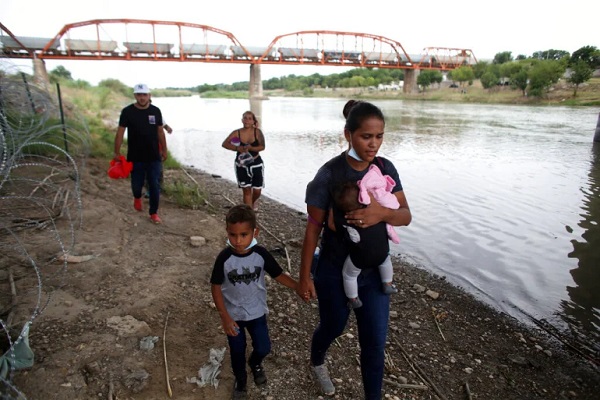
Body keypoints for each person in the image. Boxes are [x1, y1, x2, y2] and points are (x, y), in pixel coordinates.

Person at [296, 100, 412, 399]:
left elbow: (405, 215)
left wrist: (381, 214)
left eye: (379, 136)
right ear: (348, 134)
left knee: (374, 342)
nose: (373, 144)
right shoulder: (329, 175)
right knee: (333, 326)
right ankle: (318, 360)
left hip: (373, 272)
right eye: (366, 136)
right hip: (335, 270)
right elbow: (312, 230)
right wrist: (304, 276)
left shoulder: (385, 169)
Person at [210, 204, 298, 399]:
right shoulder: (224, 259)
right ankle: (241, 380)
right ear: (227, 232)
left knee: (263, 347)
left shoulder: (261, 254)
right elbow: (215, 287)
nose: (238, 241)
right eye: (233, 235)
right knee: (237, 351)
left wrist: (298, 287)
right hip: (233, 315)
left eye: (244, 235)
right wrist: (224, 316)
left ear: (254, 232)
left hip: (256, 312)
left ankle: (255, 363)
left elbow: (278, 275)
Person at [330, 179, 398, 309]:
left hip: (361, 258)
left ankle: (353, 299)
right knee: (386, 261)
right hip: (382, 253)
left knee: (349, 275)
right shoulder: (377, 213)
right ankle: (387, 284)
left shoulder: (348, 221)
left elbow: (332, 225)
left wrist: (332, 211)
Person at [114, 83, 167, 224]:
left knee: (154, 184)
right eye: (139, 95)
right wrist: (116, 152)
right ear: (135, 96)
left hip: (154, 156)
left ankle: (153, 213)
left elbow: (160, 131)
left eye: (144, 95)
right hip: (135, 157)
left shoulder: (156, 111)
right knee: (136, 185)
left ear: (149, 96)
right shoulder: (127, 112)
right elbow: (120, 132)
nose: (142, 98)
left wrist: (165, 150)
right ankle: (137, 197)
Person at [222, 111, 265, 210]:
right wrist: (237, 148)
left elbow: (262, 147)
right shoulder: (236, 133)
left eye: (250, 118)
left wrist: (250, 148)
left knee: (257, 190)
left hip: (256, 164)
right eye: (245, 118)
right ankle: (249, 213)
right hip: (241, 165)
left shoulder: (257, 132)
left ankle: (253, 203)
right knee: (246, 190)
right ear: (242, 120)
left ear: (253, 121)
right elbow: (225, 144)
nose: (247, 120)